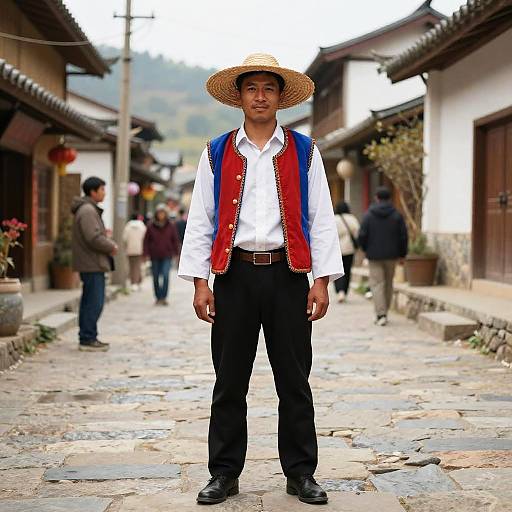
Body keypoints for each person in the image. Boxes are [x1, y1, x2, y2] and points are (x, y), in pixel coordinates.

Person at [178, 53, 343, 505]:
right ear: (238, 96)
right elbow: (201, 219)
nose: (260, 96)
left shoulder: (305, 151)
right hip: (233, 278)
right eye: (251, 88)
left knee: (294, 380)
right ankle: (224, 473)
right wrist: (199, 281)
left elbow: (321, 218)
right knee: (229, 381)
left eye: (268, 88)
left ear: (280, 97)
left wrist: (322, 280)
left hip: (289, 276)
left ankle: (301, 473)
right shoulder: (216, 152)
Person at [71, 176, 117, 352]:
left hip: (90, 262)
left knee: (89, 300)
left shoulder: (86, 209)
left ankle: (87, 336)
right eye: (102, 189)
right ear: (93, 191)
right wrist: (111, 245)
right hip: (92, 263)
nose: (104, 193)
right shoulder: (88, 210)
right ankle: (88, 338)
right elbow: (93, 237)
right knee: (94, 302)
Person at [358, 186, 408, 326]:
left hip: (374, 256)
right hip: (392, 255)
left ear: (376, 198)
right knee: (388, 284)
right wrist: (402, 254)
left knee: (377, 284)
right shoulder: (397, 215)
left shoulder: (369, 215)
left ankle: (381, 314)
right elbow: (403, 236)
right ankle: (384, 311)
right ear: (390, 198)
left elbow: (362, 235)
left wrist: (365, 249)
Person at [143, 203, 180, 305]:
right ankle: (158, 297)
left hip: (167, 255)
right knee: (155, 277)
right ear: (156, 214)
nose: (161, 215)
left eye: (163, 213)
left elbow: (175, 240)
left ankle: (163, 297)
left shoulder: (171, 225)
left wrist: (176, 253)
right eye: (159, 213)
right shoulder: (151, 226)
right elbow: (146, 241)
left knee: (165, 275)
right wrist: (145, 253)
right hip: (154, 255)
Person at [333, 201, 360, 303]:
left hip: (336, 250)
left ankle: (339, 291)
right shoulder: (352, 219)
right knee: (347, 270)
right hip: (349, 249)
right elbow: (357, 232)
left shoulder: (334, 219)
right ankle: (344, 291)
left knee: (337, 271)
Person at [122, 212, 147, 291]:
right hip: (140, 248)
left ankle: (133, 282)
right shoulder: (142, 226)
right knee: (138, 266)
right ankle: (138, 282)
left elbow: (124, 238)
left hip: (130, 248)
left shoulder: (128, 226)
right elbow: (145, 237)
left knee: (131, 266)